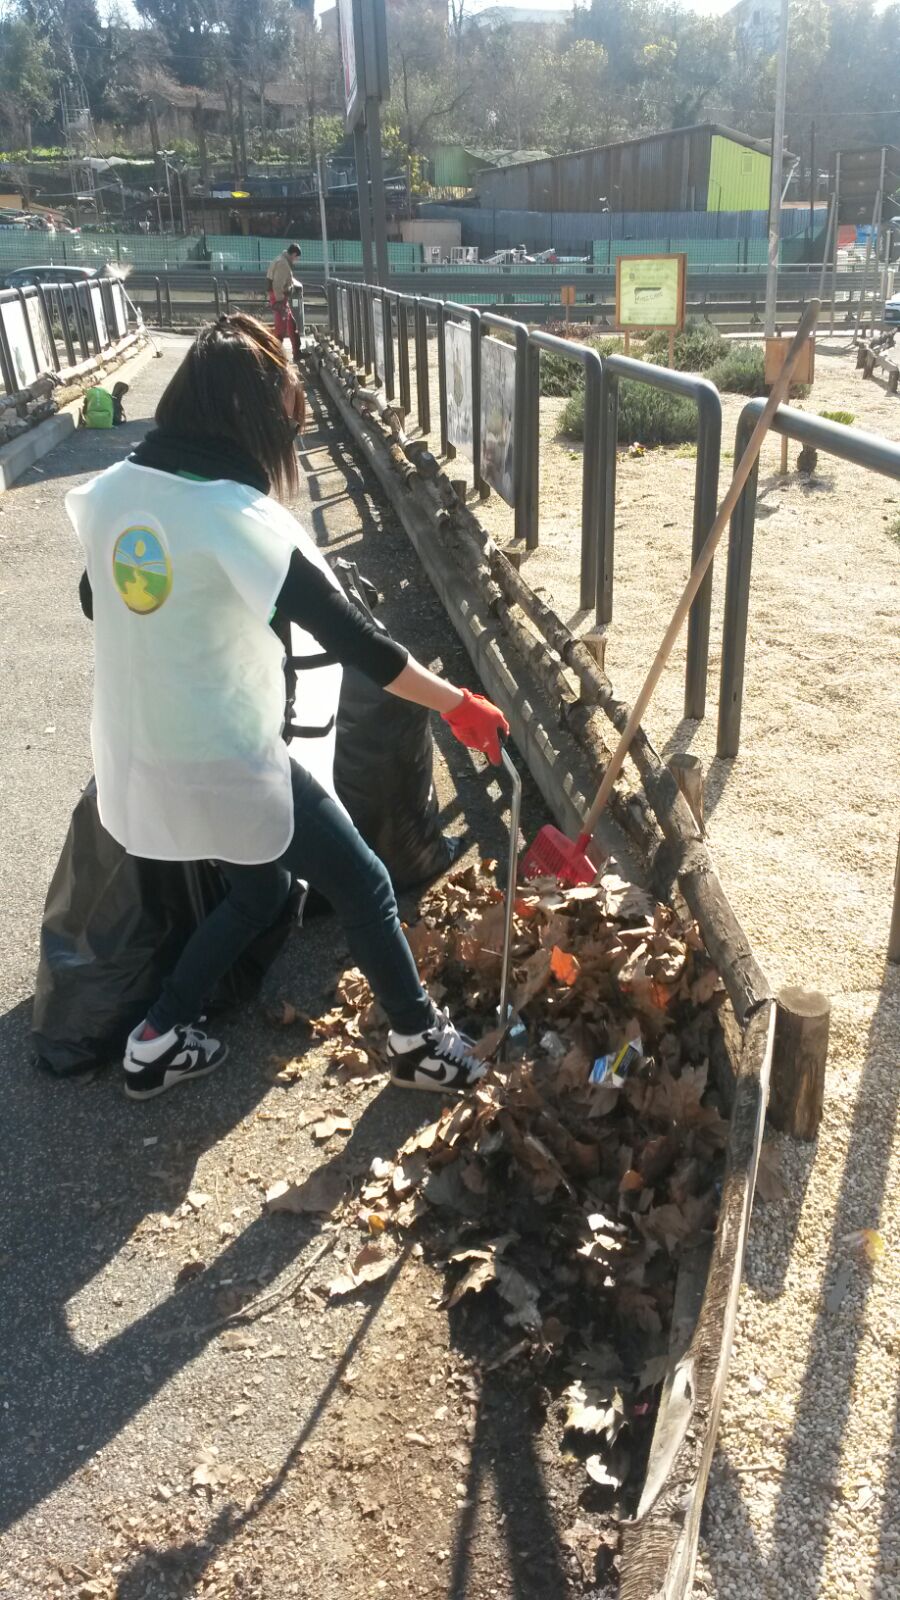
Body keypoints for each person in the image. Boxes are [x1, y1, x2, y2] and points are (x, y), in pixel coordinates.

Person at [65, 313, 509, 1103]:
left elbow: (97, 599)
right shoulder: (234, 517)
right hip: (223, 753)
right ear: (251, 418)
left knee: (262, 891)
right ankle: (417, 1042)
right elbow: (359, 644)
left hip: (135, 753)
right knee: (366, 884)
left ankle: (155, 1037)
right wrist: (457, 704)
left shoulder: (111, 494)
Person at [266, 241, 302, 361]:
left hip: (278, 297)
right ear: (294, 254)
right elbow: (277, 284)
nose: (297, 260)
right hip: (279, 298)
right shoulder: (283, 264)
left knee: (290, 324)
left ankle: (296, 352)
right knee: (281, 328)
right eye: (297, 258)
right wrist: (280, 302)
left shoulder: (280, 259)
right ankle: (275, 356)